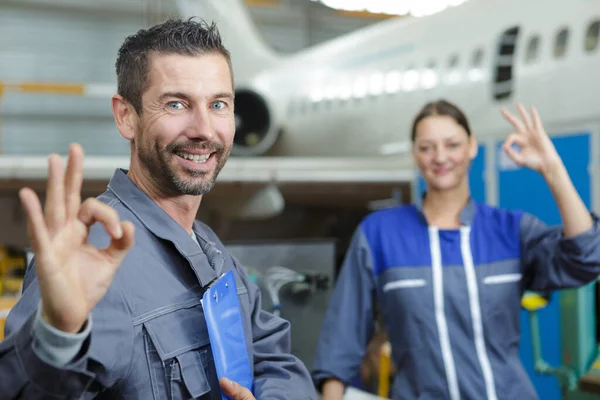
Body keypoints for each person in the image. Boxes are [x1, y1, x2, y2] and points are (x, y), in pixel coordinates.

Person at [0, 18, 317, 400]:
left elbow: (274, 361)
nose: (203, 129)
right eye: (176, 104)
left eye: (218, 104)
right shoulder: (97, 259)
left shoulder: (211, 252)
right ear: (126, 116)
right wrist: (58, 337)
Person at [311, 99, 600, 400]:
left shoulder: (509, 230)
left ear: (472, 147)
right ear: (414, 153)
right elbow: (340, 342)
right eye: (427, 147)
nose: (440, 157)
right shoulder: (379, 234)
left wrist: (553, 170)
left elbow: (586, 258)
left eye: (452, 144)